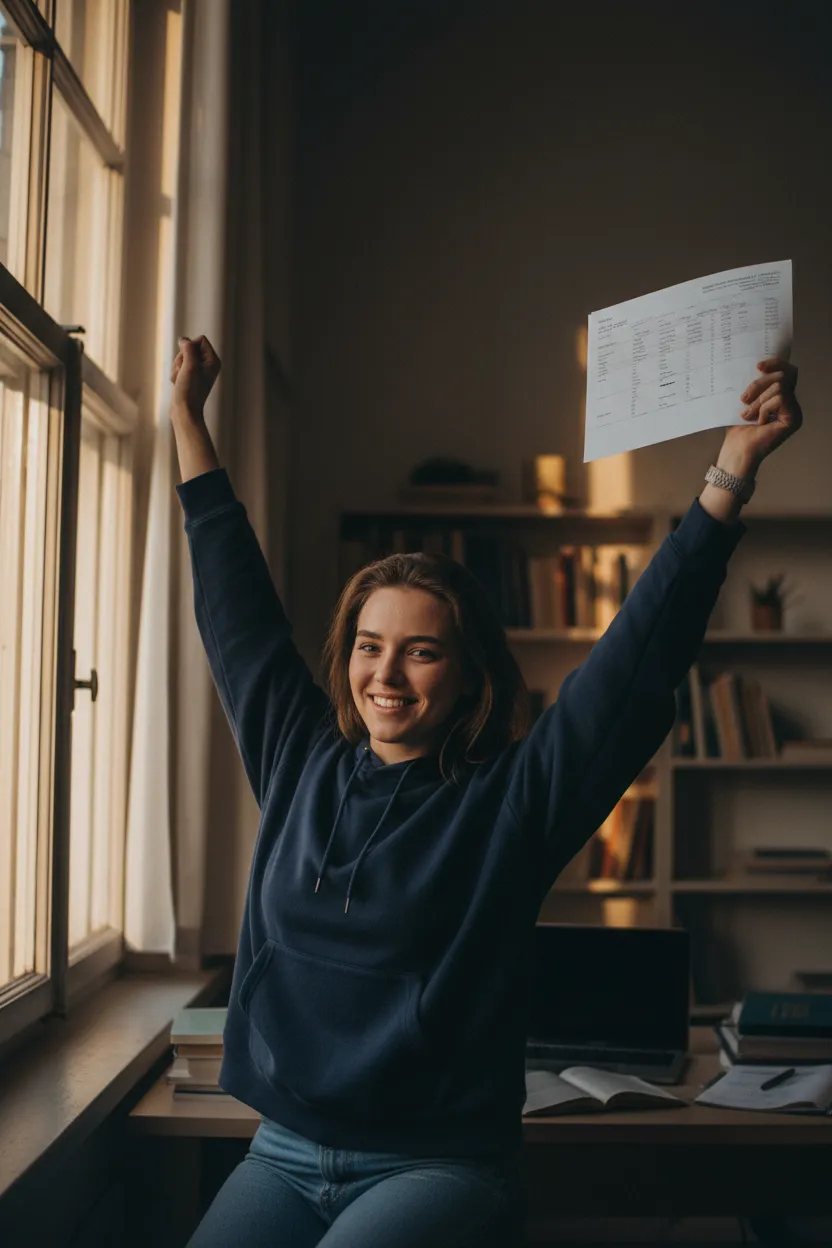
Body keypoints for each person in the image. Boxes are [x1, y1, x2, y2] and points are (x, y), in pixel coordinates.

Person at [170, 333, 801, 1247]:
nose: (386, 675)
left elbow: (636, 662)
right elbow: (235, 605)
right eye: (369, 646)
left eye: (421, 651)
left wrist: (731, 472)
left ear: (467, 675)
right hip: (282, 1150)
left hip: (435, 1163)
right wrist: (186, 418)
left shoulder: (511, 803)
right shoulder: (297, 759)